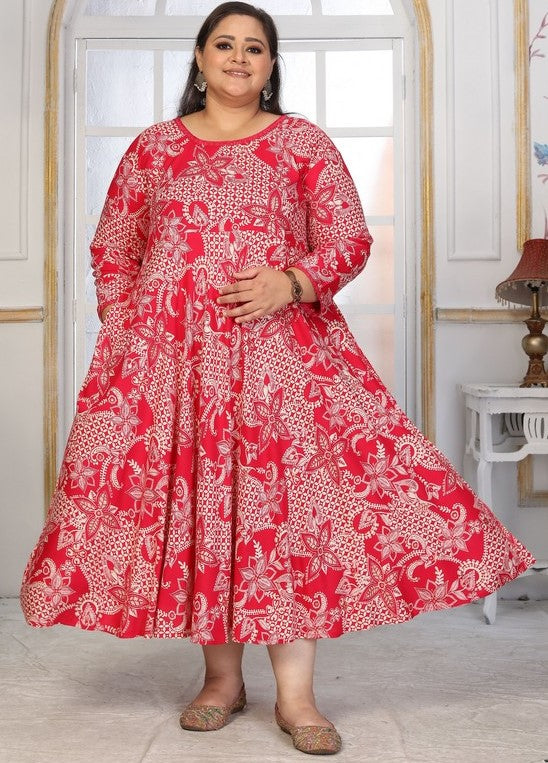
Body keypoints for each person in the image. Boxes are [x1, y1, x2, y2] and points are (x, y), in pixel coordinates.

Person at [20, 2, 534, 756]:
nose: (238, 57)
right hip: (177, 367)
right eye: (224, 44)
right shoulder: (154, 149)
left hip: (279, 364)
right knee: (205, 510)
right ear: (200, 59)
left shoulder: (301, 143)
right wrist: (134, 332)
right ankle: (221, 681)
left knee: (282, 516)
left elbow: (349, 239)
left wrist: (290, 282)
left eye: (254, 48)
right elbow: (114, 248)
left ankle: (297, 696)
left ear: (270, 65)